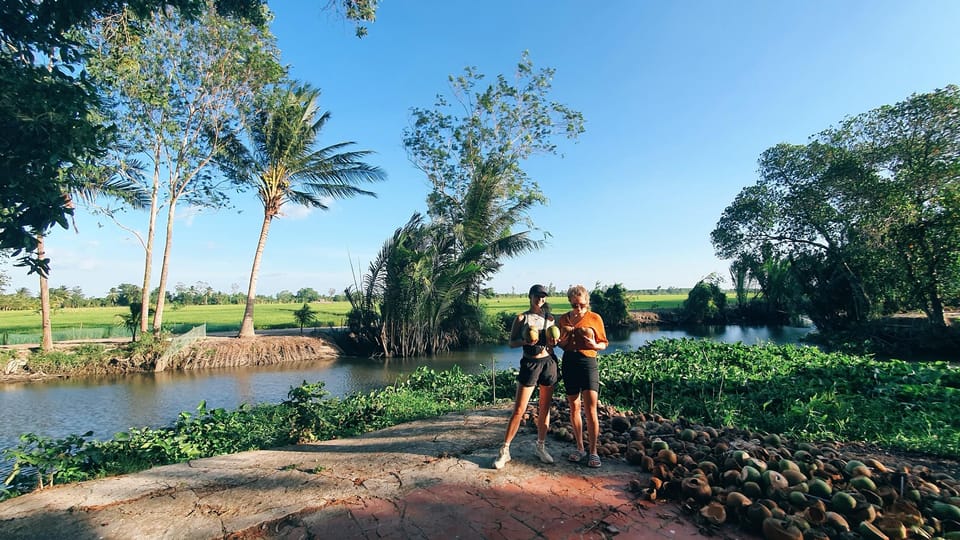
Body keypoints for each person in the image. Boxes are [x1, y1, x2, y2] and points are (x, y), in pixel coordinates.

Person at [492, 284, 559, 469]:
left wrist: (555, 342)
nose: (540, 299)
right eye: (537, 296)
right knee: (519, 409)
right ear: (530, 296)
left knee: (544, 409)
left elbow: (553, 345)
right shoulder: (522, 318)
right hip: (530, 364)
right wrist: (526, 341)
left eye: (543, 296)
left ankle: (541, 447)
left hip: (548, 363)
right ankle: (504, 450)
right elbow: (512, 343)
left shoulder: (550, 319)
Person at [557, 284, 608, 468]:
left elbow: (604, 343)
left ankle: (593, 451)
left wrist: (594, 345)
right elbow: (561, 344)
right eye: (574, 305)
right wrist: (560, 343)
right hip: (569, 361)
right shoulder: (563, 319)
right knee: (574, 407)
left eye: (581, 305)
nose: (578, 308)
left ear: (587, 302)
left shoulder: (594, 318)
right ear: (570, 303)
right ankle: (580, 448)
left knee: (591, 409)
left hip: (588, 363)